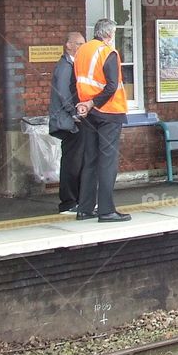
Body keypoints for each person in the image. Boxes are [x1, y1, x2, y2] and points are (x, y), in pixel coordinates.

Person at [74, 18, 131, 222]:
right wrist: (93, 103)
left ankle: (85, 208)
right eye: (114, 34)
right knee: (107, 162)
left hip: (88, 114)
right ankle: (106, 210)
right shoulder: (108, 53)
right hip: (108, 112)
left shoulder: (82, 51)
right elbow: (112, 86)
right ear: (109, 34)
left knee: (90, 159)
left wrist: (84, 104)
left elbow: (77, 82)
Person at [48, 31, 86, 213]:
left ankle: (76, 199)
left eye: (83, 44)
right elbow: (64, 93)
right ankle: (69, 202)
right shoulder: (65, 67)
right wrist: (76, 112)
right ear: (68, 45)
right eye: (78, 44)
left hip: (71, 120)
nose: (81, 47)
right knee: (72, 161)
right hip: (69, 122)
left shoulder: (73, 65)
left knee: (77, 160)